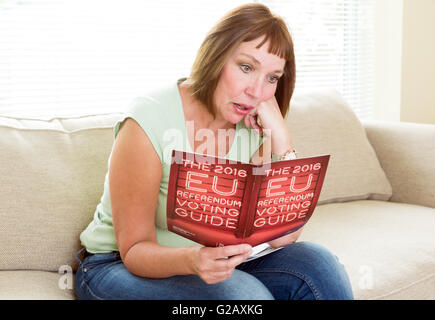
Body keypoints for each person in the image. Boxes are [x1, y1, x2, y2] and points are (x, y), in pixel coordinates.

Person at [74, 3, 354, 300]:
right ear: (215, 57)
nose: (257, 91)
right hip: (117, 266)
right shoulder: (149, 119)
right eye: (246, 68)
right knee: (245, 298)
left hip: (216, 263)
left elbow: (285, 236)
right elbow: (133, 250)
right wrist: (193, 260)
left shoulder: (254, 125)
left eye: (272, 78)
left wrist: (281, 139)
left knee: (320, 266)